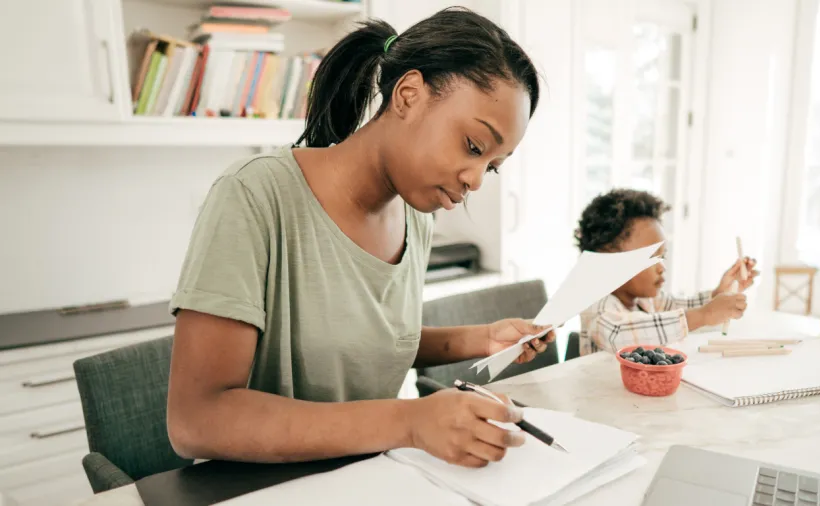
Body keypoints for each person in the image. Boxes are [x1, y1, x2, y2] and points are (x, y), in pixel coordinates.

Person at [165, 7, 554, 470]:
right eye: (473, 146)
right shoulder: (254, 195)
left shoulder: (416, 218)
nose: (475, 179)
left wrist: (482, 338)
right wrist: (410, 421)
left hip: (368, 476)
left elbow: (361, 341)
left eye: (492, 166)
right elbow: (196, 421)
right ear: (408, 95)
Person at [573, 189, 758, 355]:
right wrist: (704, 315)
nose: (662, 267)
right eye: (650, 256)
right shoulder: (596, 305)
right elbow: (619, 334)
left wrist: (720, 293)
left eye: (662, 256)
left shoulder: (645, 300)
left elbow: (680, 308)